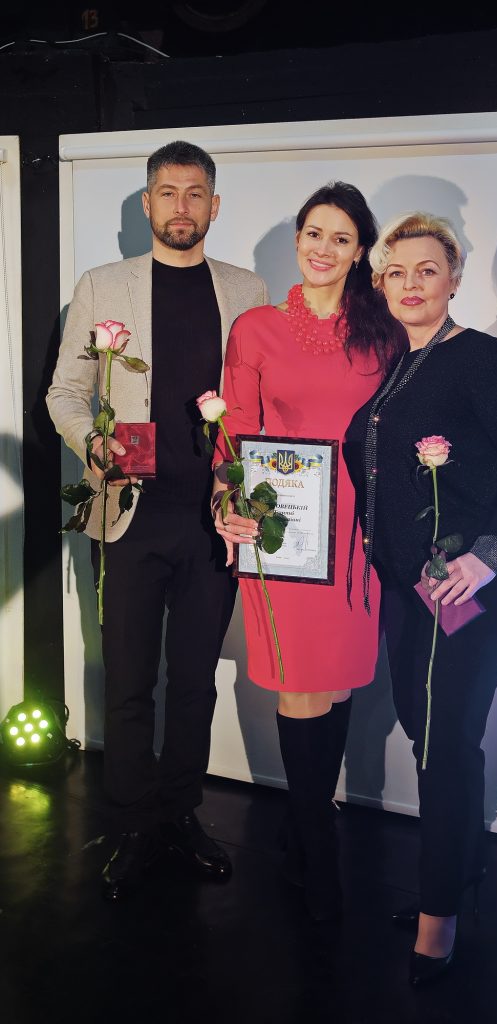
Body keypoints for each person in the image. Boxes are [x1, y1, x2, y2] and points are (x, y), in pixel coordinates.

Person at [46, 141, 269, 900]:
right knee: (129, 679)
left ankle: (179, 813)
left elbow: (259, 400)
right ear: (147, 204)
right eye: (167, 192)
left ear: (214, 204)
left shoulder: (247, 290)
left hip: (212, 518)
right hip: (129, 515)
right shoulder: (102, 286)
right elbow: (65, 392)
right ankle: (133, 822)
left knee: (195, 681)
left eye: (195, 192)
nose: (181, 206)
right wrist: (93, 442)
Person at [343, 212, 497, 983]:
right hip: (412, 586)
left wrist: (487, 558)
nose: (410, 284)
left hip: (469, 586)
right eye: (396, 272)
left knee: (440, 745)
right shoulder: (395, 364)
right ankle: (460, 871)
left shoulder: (480, 358)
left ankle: (439, 919)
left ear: (454, 278)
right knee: (431, 731)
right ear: (380, 283)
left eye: (426, 270)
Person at [211, 182, 402, 921]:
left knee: (340, 680)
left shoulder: (383, 330)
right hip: (282, 528)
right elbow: (235, 428)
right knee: (297, 685)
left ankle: (304, 825)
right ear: (298, 239)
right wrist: (227, 502)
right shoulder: (255, 328)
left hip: (357, 528)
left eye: (340, 239)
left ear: (360, 253)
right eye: (313, 233)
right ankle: (318, 849)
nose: (323, 249)